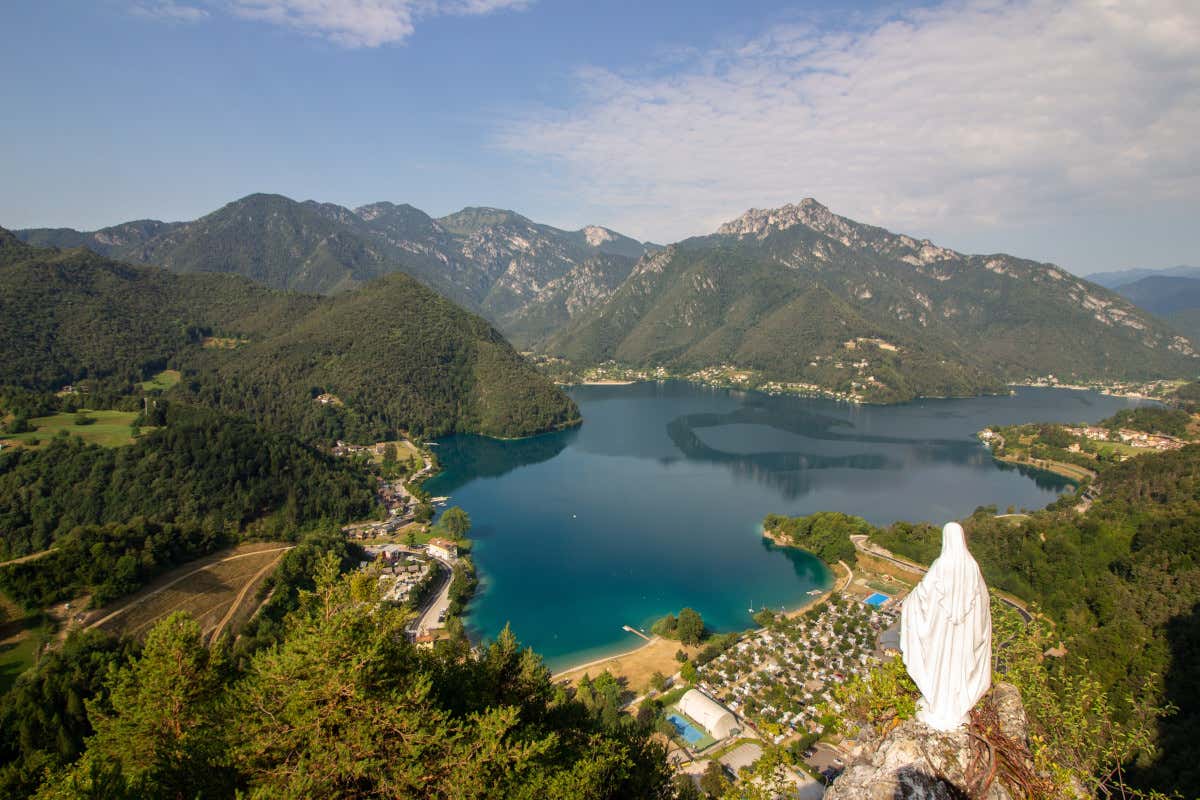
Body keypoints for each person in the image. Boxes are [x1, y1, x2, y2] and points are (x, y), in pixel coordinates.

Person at [900, 521, 991, 731]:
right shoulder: (973, 567)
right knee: (960, 668)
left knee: (939, 667)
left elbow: (922, 595)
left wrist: (908, 603)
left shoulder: (941, 566)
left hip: (940, 635)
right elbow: (983, 604)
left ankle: (938, 706)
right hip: (965, 637)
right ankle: (956, 707)